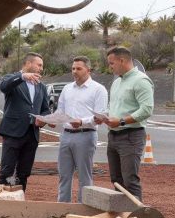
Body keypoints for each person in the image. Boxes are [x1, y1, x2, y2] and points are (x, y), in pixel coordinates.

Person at [97, 46, 154, 201]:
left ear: (122, 60)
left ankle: (137, 217)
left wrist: (121, 121)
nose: (110, 67)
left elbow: (147, 109)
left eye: (111, 63)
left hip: (131, 136)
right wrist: (104, 117)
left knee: (130, 180)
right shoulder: (116, 82)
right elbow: (115, 107)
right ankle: (122, 215)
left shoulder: (141, 80)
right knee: (116, 180)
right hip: (114, 136)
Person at [53, 56, 108, 202]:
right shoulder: (67, 88)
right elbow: (60, 111)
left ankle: (83, 207)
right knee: (64, 175)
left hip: (85, 135)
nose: (74, 71)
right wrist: (50, 119)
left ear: (88, 70)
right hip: (66, 135)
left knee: (84, 175)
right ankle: (62, 207)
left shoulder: (98, 90)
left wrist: (82, 122)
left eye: (78, 68)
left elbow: (101, 115)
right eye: (73, 68)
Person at [0, 52, 50, 190]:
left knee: (24, 173)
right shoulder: (12, 79)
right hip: (13, 132)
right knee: (7, 172)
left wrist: (43, 119)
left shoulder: (41, 87)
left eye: (42, 66)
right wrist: (22, 77)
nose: (41, 68)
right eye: (39, 65)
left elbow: (45, 109)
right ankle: (2, 203)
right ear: (28, 64)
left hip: (32, 135)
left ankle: (20, 200)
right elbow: (3, 87)